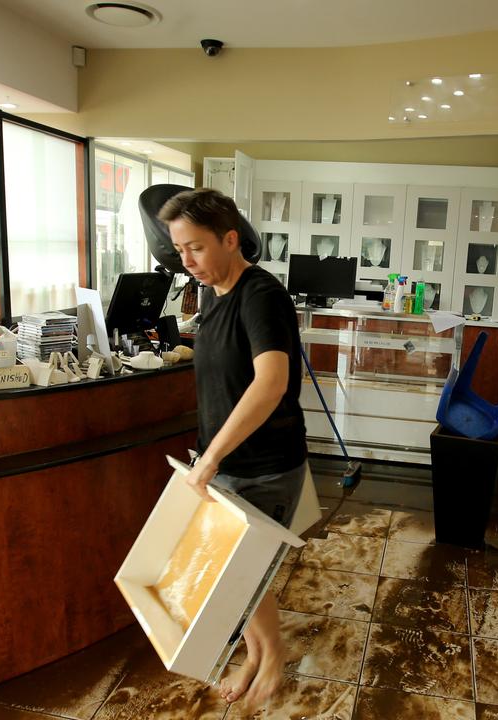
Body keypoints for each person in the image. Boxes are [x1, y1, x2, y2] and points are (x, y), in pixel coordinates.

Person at [157, 188, 307, 708]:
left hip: (263, 465)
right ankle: (254, 654)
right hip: (221, 462)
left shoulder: (260, 294)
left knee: (241, 575)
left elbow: (270, 383)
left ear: (230, 238)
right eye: (179, 250)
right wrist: (208, 455)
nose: (187, 260)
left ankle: (275, 655)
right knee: (232, 575)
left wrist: (214, 456)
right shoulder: (215, 300)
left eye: (195, 247)